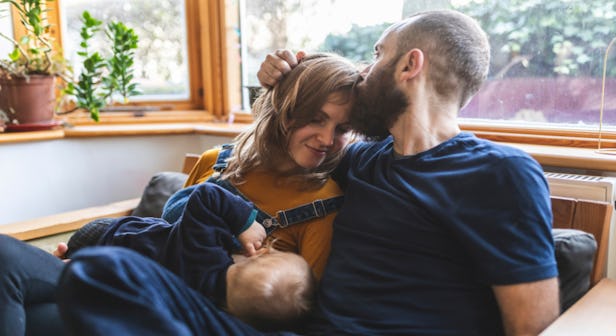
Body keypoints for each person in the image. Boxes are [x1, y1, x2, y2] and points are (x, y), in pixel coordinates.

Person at [57, 10, 559, 335]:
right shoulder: (357, 161)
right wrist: (286, 80)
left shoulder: (501, 173)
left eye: (377, 56)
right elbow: (274, 152)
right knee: (104, 272)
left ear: (410, 66)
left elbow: (534, 328)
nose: (365, 71)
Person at [0, 52, 358, 336]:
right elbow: (170, 236)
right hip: (125, 269)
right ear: (285, 110)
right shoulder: (217, 162)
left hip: (172, 313)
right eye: (316, 118)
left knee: (41, 310)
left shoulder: (322, 209)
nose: (327, 139)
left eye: (342, 127)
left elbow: (297, 313)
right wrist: (108, 252)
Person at [60, 181, 315, 333]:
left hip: (113, 235)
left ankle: (63, 259)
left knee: (76, 247)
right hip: (131, 255)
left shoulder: (205, 253)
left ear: (259, 254)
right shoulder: (210, 305)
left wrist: (245, 223)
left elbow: (206, 194)